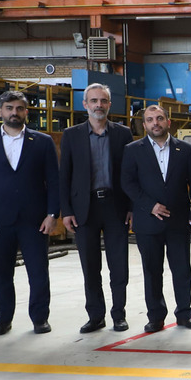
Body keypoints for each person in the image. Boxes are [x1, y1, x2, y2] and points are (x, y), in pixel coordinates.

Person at [0, 89, 60, 336]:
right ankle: (2, 320)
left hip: (35, 220)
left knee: (38, 272)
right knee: (1, 273)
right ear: (0, 111)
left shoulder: (42, 142)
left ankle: (40, 319)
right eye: (9, 108)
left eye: (19, 108)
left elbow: (54, 181)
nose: (14, 113)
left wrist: (52, 214)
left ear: (26, 112)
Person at [121, 104, 191, 333]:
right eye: (150, 120)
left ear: (168, 122)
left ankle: (185, 314)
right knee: (152, 271)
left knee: (182, 270)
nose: (155, 123)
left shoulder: (184, 149)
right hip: (148, 222)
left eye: (159, 118)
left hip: (178, 221)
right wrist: (150, 206)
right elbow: (127, 183)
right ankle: (156, 317)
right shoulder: (133, 150)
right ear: (144, 124)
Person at [59, 83, 134, 334]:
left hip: (116, 207)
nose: (98, 105)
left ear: (109, 104)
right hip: (85, 208)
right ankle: (96, 316)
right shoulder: (71, 135)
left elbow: (131, 174)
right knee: (90, 267)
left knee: (119, 266)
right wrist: (66, 210)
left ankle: (119, 315)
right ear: (85, 104)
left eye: (103, 101)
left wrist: (131, 207)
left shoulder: (123, 134)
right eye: (94, 100)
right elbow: (64, 175)